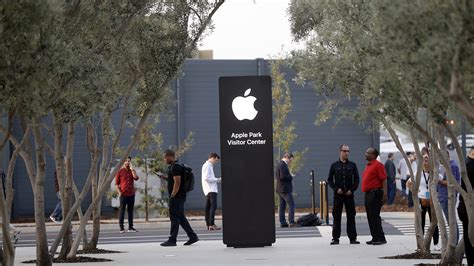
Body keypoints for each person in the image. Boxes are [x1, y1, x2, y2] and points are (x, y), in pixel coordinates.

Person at [161, 149, 199, 247]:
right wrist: (164, 178)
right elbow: (174, 180)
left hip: (177, 197)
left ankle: (172, 240)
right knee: (181, 218)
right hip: (180, 196)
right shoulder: (177, 166)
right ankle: (193, 236)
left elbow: (177, 182)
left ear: (170, 156)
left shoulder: (175, 167)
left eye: (165, 157)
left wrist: (173, 195)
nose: (164, 159)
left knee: (174, 218)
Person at [327, 144, 360, 245]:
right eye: (345, 151)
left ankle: (352, 238)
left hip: (349, 195)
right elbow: (330, 180)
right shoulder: (334, 165)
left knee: (351, 216)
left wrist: (352, 189)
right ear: (340, 152)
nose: (346, 153)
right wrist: (336, 189)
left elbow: (357, 179)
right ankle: (335, 238)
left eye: (348, 151)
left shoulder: (352, 165)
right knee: (336, 216)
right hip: (338, 195)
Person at [413, 156, 439, 249]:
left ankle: (436, 244)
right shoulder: (418, 173)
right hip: (421, 199)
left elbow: (440, 180)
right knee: (421, 222)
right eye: (424, 161)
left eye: (427, 161)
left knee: (434, 222)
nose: (425, 163)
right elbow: (408, 183)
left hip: (432, 200)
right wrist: (416, 192)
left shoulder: (434, 173)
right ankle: (422, 243)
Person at [362, 147, 387, 245]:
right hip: (368, 194)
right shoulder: (369, 165)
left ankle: (381, 238)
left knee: (375, 216)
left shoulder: (378, 165)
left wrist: (385, 194)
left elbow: (384, 179)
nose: (366, 154)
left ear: (373, 155)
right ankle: (375, 237)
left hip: (375, 193)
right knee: (370, 216)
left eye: (368, 153)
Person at [438, 151, 460, 242]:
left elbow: (453, 182)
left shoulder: (452, 166)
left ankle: (454, 241)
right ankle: (453, 241)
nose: (440, 161)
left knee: (451, 221)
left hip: (448, 197)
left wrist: (440, 181)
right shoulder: (446, 166)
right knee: (450, 221)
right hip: (443, 196)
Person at [458, 146, 474, 266]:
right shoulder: (469, 165)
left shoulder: (466, 163)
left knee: (468, 236)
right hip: (468, 207)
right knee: (469, 237)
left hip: (465, 206)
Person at [115, 156, 139, 233]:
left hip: (131, 194)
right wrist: (119, 193)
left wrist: (132, 169)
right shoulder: (120, 171)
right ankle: (121, 228)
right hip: (123, 194)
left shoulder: (132, 171)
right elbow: (116, 184)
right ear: (123, 162)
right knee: (122, 211)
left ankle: (130, 227)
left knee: (130, 211)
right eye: (126, 161)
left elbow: (136, 178)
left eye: (129, 161)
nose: (128, 162)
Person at [201, 152, 221, 231]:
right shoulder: (207, 166)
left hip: (209, 189)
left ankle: (209, 224)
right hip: (211, 189)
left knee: (208, 207)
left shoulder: (207, 165)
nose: (216, 162)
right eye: (216, 160)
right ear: (213, 158)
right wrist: (218, 180)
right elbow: (207, 178)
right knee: (213, 206)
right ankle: (211, 224)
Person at [275, 153, 296, 228]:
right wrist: (291, 176)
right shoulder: (283, 165)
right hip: (285, 190)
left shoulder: (279, 164)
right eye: (291, 160)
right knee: (292, 205)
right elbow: (283, 177)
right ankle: (291, 222)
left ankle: (283, 222)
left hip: (280, 189)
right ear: (287, 157)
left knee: (282, 206)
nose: (291, 161)